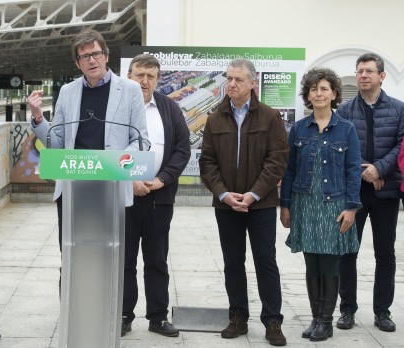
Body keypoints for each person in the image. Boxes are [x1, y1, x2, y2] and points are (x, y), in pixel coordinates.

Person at [27, 29, 149, 253]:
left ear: (106, 56)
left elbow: (141, 141)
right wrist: (37, 117)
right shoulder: (67, 92)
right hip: (73, 190)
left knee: (111, 255)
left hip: (111, 188)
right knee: (73, 254)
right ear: (78, 63)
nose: (92, 60)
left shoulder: (130, 90)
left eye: (96, 53)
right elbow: (57, 144)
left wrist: (114, 164)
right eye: (85, 56)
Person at [199, 59, 288, 346]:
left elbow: (277, 161)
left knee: (265, 261)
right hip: (227, 205)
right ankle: (238, 316)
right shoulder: (215, 119)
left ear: (253, 83)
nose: (232, 84)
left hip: (260, 205)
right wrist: (224, 194)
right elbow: (207, 162)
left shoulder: (270, 117)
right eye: (229, 78)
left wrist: (254, 194)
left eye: (238, 79)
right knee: (233, 262)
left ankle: (273, 320)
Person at [280, 68, 361, 342]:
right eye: (314, 89)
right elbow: (289, 170)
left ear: (334, 93)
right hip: (304, 203)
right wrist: (285, 204)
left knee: (329, 263)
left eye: (324, 88)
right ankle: (316, 318)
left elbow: (353, 170)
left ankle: (326, 321)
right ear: (308, 95)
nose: (319, 93)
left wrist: (351, 207)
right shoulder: (299, 129)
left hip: (333, 204)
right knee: (311, 263)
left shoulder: (347, 130)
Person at [121, 54, 190, 338]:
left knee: (157, 260)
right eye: (140, 75)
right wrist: (131, 178)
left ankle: (158, 317)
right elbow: (108, 147)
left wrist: (162, 179)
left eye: (151, 76)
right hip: (124, 197)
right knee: (124, 260)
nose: (145, 81)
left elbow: (183, 149)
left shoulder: (170, 108)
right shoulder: (118, 108)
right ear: (129, 75)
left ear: (158, 79)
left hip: (159, 198)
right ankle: (124, 315)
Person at [336, 53, 404, 332]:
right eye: (359, 70)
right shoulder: (344, 111)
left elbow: (402, 145)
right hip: (354, 193)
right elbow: (340, 147)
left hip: (387, 193)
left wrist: (380, 170)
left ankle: (382, 311)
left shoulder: (399, 109)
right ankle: (347, 310)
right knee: (347, 252)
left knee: (385, 253)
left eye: (369, 71)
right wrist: (366, 171)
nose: (363, 75)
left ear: (381, 76)